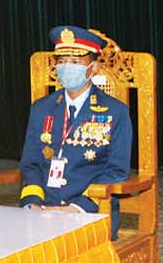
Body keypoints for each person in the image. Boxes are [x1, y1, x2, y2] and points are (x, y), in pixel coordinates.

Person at [17, 26, 134, 237]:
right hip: (42, 208)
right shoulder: (41, 108)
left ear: (93, 67)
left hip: (90, 211)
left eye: (75, 62)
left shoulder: (115, 112)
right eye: (62, 61)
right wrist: (33, 202)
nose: (66, 67)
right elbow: (30, 164)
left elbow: (117, 171)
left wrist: (76, 208)